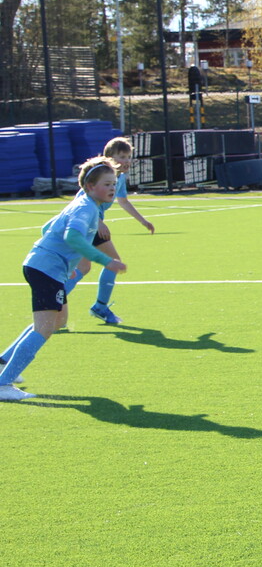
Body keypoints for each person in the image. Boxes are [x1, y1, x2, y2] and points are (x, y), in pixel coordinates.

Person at [0, 157, 128, 401]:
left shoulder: (85, 204)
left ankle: (4, 365)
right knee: (45, 328)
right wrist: (105, 261)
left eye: (114, 183)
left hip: (45, 266)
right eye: (107, 184)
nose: (113, 188)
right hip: (45, 269)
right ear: (90, 186)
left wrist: (65, 263)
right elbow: (72, 237)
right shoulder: (86, 208)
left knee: (57, 321)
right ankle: (3, 383)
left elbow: (47, 228)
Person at [64, 137, 155, 325]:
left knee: (84, 268)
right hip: (87, 224)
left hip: (90, 225)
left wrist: (143, 221)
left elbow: (124, 201)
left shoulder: (118, 178)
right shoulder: (99, 176)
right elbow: (81, 200)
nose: (126, 161)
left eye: (128, 157)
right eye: (122, 156)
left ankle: (55, 302)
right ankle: (98, 306)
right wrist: (98, 222)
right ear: (109, 157)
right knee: (112, 262)